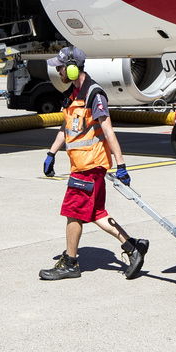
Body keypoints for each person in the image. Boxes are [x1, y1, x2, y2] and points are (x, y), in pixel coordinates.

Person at [39, 46, 149, 280]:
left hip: (89, 167)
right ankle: (133, 247)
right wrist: (51, 153)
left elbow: (108, 131)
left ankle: (70, 263)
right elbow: (66, 127)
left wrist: (121, 165)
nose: (57, 71)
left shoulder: (93, 94)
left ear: (71, 68)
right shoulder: (73, 94)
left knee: (73, 213)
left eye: (60, 67)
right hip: (84, 166)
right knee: (98, 213)